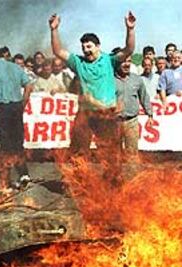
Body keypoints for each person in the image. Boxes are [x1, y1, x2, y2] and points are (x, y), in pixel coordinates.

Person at [49, 11, 136, 183]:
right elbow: (57, 50)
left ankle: (113, 183)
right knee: (79, 152)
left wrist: (130, 29)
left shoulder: (109, 60)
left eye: (89, 47)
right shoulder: (78, 62)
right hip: (86, 115)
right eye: (83, 47)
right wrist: (54, 30)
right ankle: (79, 182)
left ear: (98, 46)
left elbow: (129, 49)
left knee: (111, 152)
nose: (86, 50)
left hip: (107, 114)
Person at [0, 42, 33, 193]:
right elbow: (29, 86)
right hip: (16, 108)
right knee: (17, 144)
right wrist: (22, 104)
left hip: (2, 109)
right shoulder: (15, 67)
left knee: (3, 147)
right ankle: (24, 176)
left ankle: (5, 182)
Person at [115, 55, 152, 161]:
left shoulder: (137, 79)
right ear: (117, 63)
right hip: (113, 122)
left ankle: (133, 177)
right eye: (123, 61)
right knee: (114, 154)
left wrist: (149, 114)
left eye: (129, 61)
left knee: (132, 154)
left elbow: (144, 97)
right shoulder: (109, 79)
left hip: (131, 121)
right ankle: (116, 177)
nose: (127, 64)